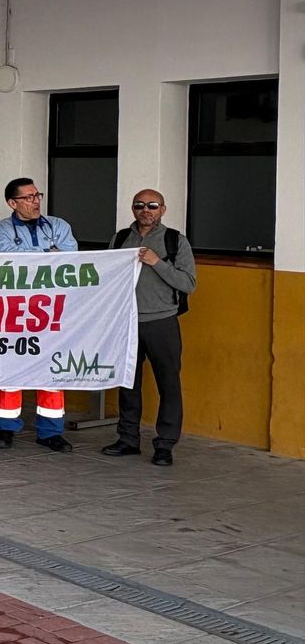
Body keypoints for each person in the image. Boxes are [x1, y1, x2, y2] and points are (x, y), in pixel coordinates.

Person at [103, 190, 197, 467]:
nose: (146, 210)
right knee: (128, 384)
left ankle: (165, 445)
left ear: (163, 209)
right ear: (133, 209)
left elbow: (188, 283)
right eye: (139, 205)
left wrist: (157, 263)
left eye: (152, 205)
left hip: (162, 321)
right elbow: (108, 276)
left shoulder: (175, 240)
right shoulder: (120, 239)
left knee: (168, 383)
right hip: (126, 321)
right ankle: (128, 439)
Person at [0, 177, 77, 451]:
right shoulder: (0, 229)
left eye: (37, 195)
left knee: (51, 370)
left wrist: (42, 255)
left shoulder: (59, 225)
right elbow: (11, 258)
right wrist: (48, 252)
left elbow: (70, 256)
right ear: (12, 203)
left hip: (51, 310)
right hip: (14, 309)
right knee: (11, 371)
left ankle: (50, 431)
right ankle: (5, 429)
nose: (35, 201)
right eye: (28, 197)